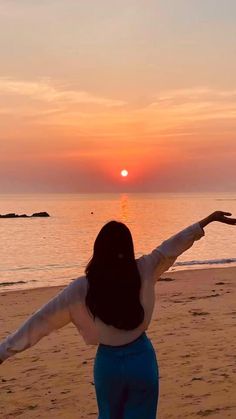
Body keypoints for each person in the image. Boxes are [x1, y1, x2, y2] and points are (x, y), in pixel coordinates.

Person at [0, 211, 235, 419]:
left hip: (108, 365)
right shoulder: (144, 268)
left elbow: (41, 320)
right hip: (141, 359)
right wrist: (207, 221)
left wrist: (4, 351)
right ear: (128, 247)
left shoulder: (82, 287)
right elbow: (172, 245)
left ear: (98, 250)